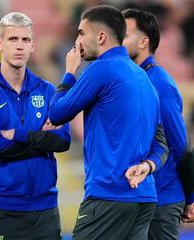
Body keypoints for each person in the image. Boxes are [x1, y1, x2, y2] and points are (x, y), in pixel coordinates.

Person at [48, 5, 168, 239]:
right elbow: (160, 142)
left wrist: (69, 73)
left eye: (82, 33)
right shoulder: (145, 79)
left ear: (101, 37)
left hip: (108, 195)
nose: (77, 40)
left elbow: (57, 113)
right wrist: (148, 166)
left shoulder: (101, 69)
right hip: (144, 198)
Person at [0, 12, 71, 240]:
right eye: (13, 39)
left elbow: (63, 140)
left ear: (33, 45)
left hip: (46, 210)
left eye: (25, 40)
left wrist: (17, 134)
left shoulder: (47, 91)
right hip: (3, 210)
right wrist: (41, 138)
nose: (19, 46)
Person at [122, 8, 194, 238]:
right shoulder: (129, 80)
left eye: (124, 34)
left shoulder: (159, 84)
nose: (117, 40)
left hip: (162, 199)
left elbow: (181, 145)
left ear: (144, 42)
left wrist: (190, 197)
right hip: (136, 196)